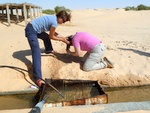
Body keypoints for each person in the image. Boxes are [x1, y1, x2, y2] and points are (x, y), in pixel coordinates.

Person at [25, 10, 71, 87]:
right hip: (31, 30)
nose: (63, 22)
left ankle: (49, 49)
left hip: (35, 29)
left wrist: (63, 37)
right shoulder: (54, 22)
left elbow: (53, 33)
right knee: (36, 53)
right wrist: (63, 40)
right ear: (60, 17)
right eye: (63, 20)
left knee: (45, 37)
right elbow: (52, 36)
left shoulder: (53, 19)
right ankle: (38, 79)